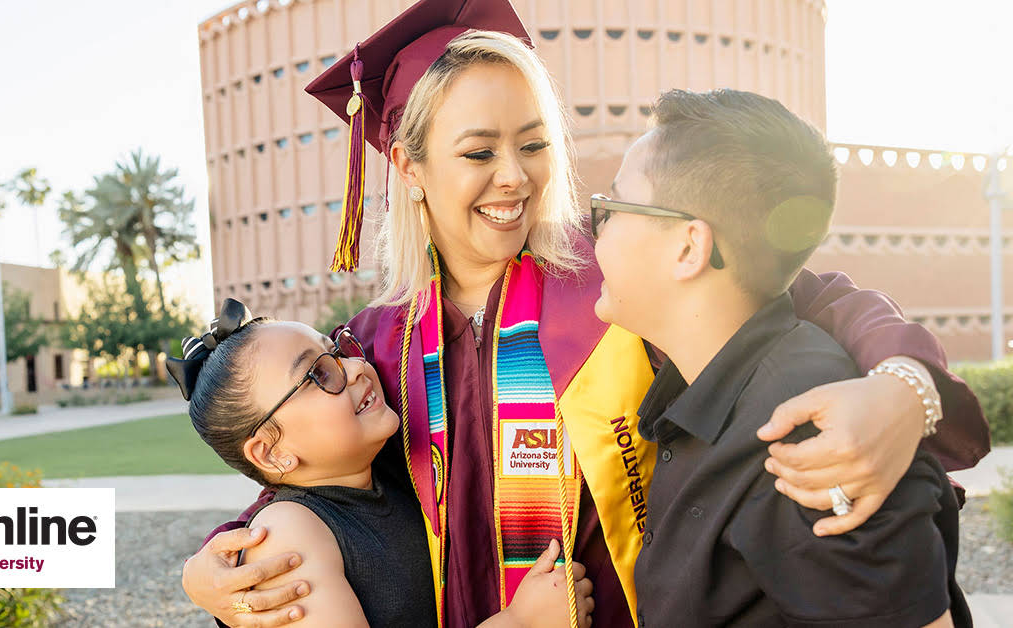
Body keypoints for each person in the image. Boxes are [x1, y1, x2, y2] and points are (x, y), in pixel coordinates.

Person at [181, 0, 990, 626]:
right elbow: (317, 473)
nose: (515, 177)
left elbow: (809, 297)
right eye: (478, 151)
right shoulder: (378, 342)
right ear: (408, 165)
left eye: (534, 144)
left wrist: (904, 386)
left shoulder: (613, 274)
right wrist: (217, 559)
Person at [591, 88, 970, 627]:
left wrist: (908, 383)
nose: (596, 231)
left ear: (688, 247)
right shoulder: (709, 384)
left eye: (611, 208)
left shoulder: (815, 443)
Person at [165, 299, 593, 628]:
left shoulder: (386, 478)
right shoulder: (287, 535)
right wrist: (520, 622)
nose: (355, 368)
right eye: (319, 374)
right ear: (272, 453)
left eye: (338, 351)